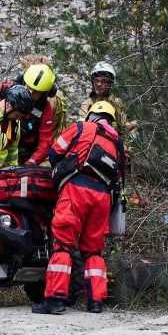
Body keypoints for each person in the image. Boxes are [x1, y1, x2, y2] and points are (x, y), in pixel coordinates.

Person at [33, 101, 124, 315]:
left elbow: (55, 152)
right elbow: (118, 176)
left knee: (63, 244)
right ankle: (95, 302)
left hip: (76, 190)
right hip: (103, 197)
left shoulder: (81, 127)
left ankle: (55, 300)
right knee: (93, 250)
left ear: (92, 115)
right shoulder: (117, 142)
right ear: (111, 120)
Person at [77, 61, 130, 137]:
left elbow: (123, 128)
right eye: (96, 81)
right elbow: (81, 128)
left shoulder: (116, 102)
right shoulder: (87, 103)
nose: (99, 84)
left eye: (104, 81)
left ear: (110, 83)